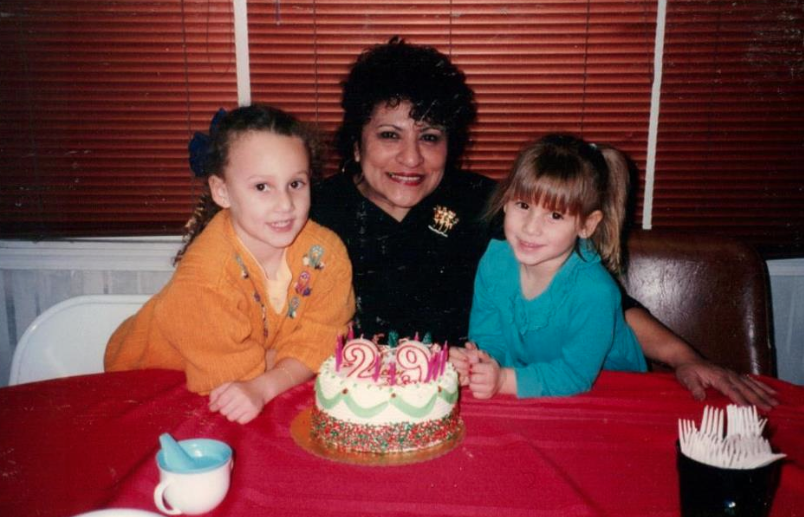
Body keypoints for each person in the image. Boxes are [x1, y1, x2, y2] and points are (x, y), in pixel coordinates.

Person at [311, 37, 777, 408]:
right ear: (355, 143)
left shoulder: (485, 203)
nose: (411, 158)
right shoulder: (314, 213)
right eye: (389, 135)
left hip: (477, 399)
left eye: (430, 137)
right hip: (355, 404)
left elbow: (591, 295)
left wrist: (685, 359)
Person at [105, 104, 355, 424]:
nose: (285, 204)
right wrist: (293, 361)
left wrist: (274, 375)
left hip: (239, 387)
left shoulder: (327, 254)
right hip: (144, 386)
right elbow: (235, 380)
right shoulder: (205, 277)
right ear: (222, 191)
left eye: (296, 184)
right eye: (262, 187)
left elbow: (322, 342)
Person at [450, 135, 646, 398]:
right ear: (506, 202)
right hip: (533, 386)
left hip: (610, 392)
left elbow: (575, 375)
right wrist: (480, 361)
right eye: (523, 205)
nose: (531, 228)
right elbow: (488, 336)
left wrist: (503, 381)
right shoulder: (494, 261)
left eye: (555, 215)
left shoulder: (595, 291)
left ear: (587, 225)